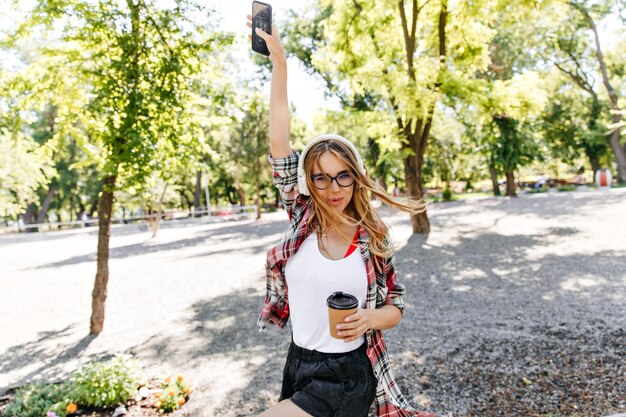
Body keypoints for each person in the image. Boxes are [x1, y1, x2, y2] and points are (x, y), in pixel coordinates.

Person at [249, 17, 436, 417]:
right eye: (320, 178)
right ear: (308, 183)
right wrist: (279, 64)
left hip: (349, 373)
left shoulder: (373, 237)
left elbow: (396, 308)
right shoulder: (301, 218)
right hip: (299, 363)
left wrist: (370, 317)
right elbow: (279, 140)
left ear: (356, 177)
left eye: (342, 176)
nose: (333, 188)